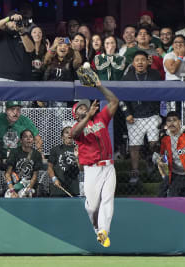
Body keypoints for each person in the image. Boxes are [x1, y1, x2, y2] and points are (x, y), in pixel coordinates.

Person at [71, 80, 119, 248]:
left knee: (107, 199)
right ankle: (97, 228)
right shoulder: (77, 127)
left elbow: (114, 101)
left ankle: (104, 231)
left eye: (86, 106)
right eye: (80, 108)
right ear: (75, 114)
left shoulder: (101, 118)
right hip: (92, 169)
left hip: (108, 166)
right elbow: (74, 134)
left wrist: (98, 85)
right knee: (92, 208)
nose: (84, 108)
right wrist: (88, 117)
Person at [122, 50, 161, 183]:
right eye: (137, 60)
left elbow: (162, 93)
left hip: (152, 115)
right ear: (133, 63)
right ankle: (135, 173)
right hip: (135, 116)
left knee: (154, 144)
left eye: (143, 60)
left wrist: (157, 112)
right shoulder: (127, 77)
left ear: (147, 62)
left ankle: (152, 162)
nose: (140, 62)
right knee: (134, 146)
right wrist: (127, 113)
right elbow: (122, 99)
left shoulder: (155, 74)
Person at [4, 129, 43, 198]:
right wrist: (12, 191)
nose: (28, 139)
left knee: (24, 195)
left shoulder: (37, 154)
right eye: (25, 137)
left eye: (30, 137)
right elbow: (7, 174)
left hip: (30, 186)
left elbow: (35, 175)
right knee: (9, 196)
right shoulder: (14, 152)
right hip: (15, 185)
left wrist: (28, 188)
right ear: (21, 140)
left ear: (33, 140)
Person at [0, 10, 34, 81]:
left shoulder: (25, 34)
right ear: (6, 23)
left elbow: (30, 49)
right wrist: (9, 18)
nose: (14, 23)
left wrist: (21, 31)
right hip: (3, 77)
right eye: (12, 21)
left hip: (23, 78)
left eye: (17, 21)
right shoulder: (2, 34)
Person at [47, 126, 80, 197]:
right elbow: (49, 167)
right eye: (67, 132)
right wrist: (54, 178)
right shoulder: (55, 149)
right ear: (62, 137)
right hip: (58, 189)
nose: (69, 134)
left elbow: (81, 169)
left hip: (73, 189)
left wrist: (77, 157)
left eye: (71, 132)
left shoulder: (78, 149)